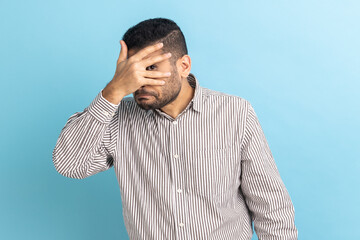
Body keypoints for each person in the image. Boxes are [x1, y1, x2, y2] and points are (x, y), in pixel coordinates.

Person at [52, 17, 298, 240]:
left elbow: (272, 209)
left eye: (151, 68)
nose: (140, 81)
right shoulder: (117, 119)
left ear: (184, 66)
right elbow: (69, 165)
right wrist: (113, 91)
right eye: (131, 71)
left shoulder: (236, 113)